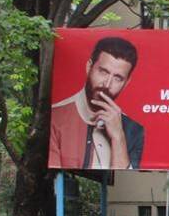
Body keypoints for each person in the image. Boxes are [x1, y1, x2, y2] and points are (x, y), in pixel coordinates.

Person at [50, 36, 145, 169]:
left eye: (118, 78)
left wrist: (118, 138)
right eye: (103, 72)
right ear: (89, 67)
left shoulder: (134, 131)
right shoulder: (54, 117)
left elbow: (123, 182)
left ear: (126, 83)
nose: (107, 84)